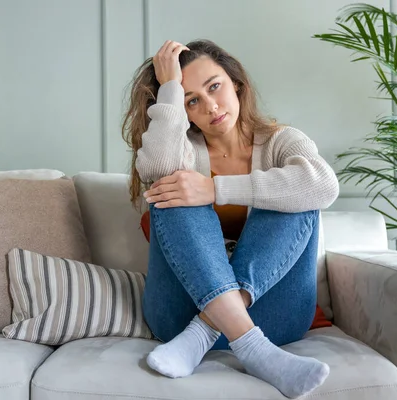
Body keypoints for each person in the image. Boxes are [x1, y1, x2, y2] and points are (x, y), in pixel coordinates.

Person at [121, 39, 340, 398]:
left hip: (276, 316)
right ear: (183, 110)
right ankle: (255, 350)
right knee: (172, 189)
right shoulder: (184, 150)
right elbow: (158, 167)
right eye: (192, 99)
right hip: (178, 314)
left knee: (294, 195)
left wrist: (214, 189)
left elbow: (324, 186)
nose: (210, 106)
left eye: (214, 86)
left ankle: (206, 332)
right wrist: (170, 87)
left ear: (236, 83)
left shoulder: (281, 142)